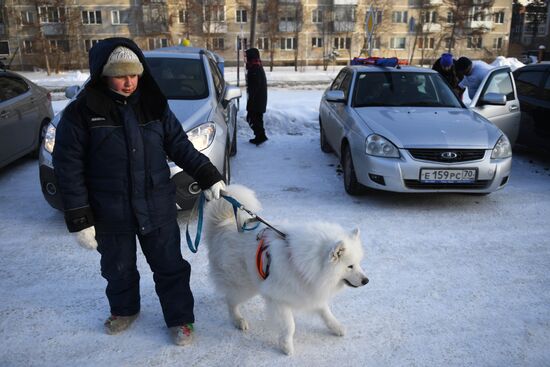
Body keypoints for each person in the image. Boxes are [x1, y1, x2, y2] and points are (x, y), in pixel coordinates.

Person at [52, 37, 225, 346]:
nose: (129, 82)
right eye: (120, 75)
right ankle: (124, 310)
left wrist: (208, 175)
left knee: (170, 267)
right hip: (109, 209)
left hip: (156, 204)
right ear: (103, 74)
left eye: (134, 74)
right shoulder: (81, 112)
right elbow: (68, 168)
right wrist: (80, 217)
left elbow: (180, 146)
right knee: (117, 268)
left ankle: (180, 319)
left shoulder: (154, 105)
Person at [245, 48, 268, 145]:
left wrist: (251, 99)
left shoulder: (255, 68)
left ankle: (260, 136)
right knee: (256, 118)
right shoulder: (256, 65)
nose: (246, 59)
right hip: (258, 98)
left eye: (247, 56)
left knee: (253, 117)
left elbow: (255, 86)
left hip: (256, 99)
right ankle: (260, 136)